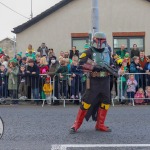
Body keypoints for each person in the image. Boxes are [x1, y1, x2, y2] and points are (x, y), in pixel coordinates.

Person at [70, 32, 113, 133]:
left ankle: (100, 124)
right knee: (86, 102)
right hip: (93, 80)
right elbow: (80, 64)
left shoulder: (107, 51)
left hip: (105, 80)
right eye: (98, 40)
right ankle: (76, 124)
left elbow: (111, 63)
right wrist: (94, 67)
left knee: (106, 102)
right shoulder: (88, 51)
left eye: (101, 40)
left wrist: (113, 68)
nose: (99, 43)